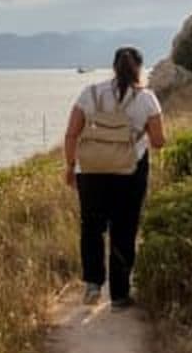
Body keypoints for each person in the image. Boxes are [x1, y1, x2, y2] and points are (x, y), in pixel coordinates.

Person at [63, 46, 165, 310]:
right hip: (130, 172)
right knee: (124, 229)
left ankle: (93, 284)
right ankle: (119, 296)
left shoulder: (90, 93)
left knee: (92, 227)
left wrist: (70, 165)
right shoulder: (147, 99)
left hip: (91, 171)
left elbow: (71, 134)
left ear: (113, 66)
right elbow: (158, 142)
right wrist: (138, 132)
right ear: (139, 68)